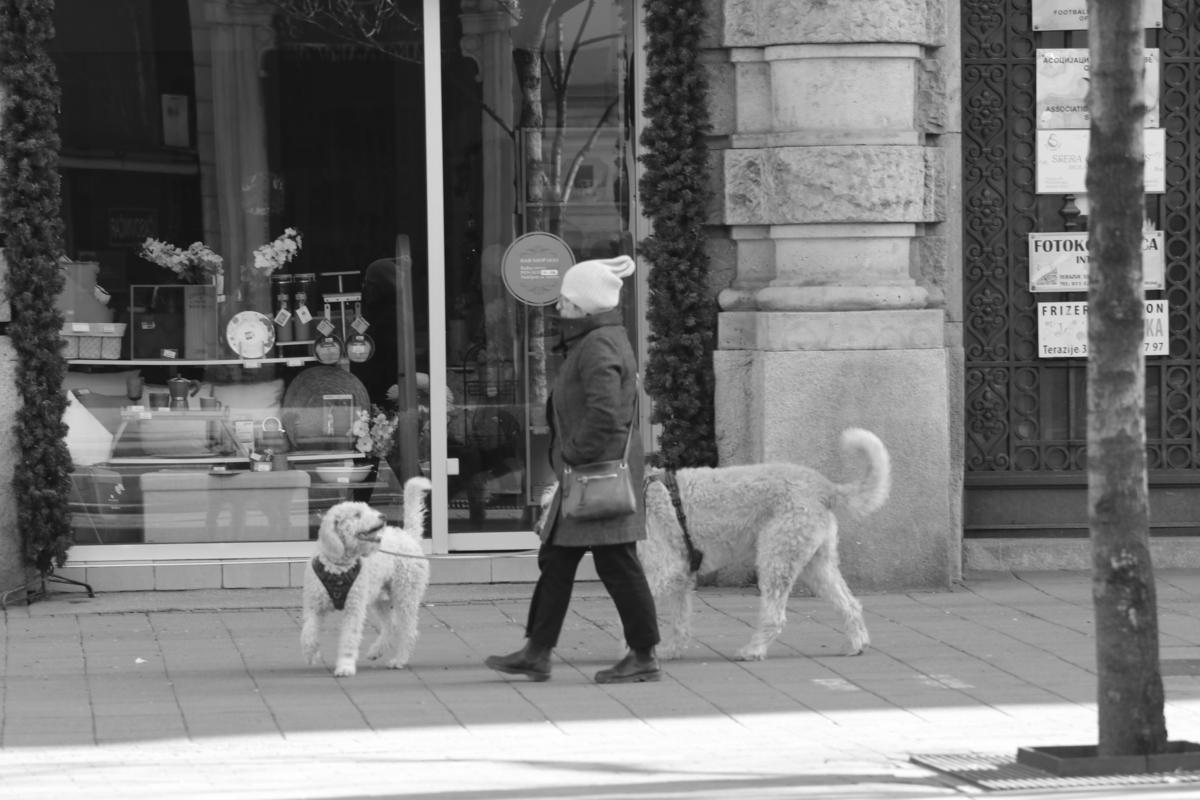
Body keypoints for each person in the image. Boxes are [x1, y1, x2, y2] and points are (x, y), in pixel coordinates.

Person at [485, 255, 661, 684]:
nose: (558, 304)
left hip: (597, 474)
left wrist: (574, 454)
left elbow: (606, 413)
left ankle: (642, 656)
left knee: (617, 563)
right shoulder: (596, 338)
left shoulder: (599, 344)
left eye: (565, 298)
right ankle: (537, 652)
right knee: (558, 559)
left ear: (583, 305)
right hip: (590, 474)